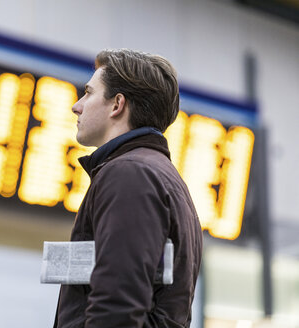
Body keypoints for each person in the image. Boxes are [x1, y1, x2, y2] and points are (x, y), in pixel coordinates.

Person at [54, 49, 203, 328]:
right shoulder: (161, 176)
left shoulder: (129, 174)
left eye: (88, 93)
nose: (77, 105)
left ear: (117, 105)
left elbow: (118, 309)